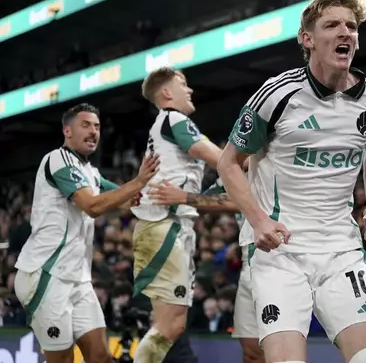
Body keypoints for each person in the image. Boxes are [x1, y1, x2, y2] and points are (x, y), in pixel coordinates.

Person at [217, 0, 366, 363]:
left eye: (351, 26)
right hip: (278, 249)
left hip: (341, 248)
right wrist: (259, 220)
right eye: (332, 25)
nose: (345, 32)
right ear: (308, 39)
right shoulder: (277, 95)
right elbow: (228, 162)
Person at [13, 103, 159, 363]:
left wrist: (163, 193)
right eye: (86, 125)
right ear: (67, 130)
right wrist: (137, 181)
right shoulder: (58, 159)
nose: (93, 131)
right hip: (46, 275)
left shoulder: (91, 172)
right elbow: (93, 206)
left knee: (101, 357)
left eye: (97, 126)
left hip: (77, 280)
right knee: (63, 360)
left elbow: (128, 200)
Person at [130, 67, 224, 363]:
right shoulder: (174, 119)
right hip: (164, 225)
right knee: (170, 326)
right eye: (183, 84)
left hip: (166, 225)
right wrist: (255, 160)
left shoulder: (161, 129)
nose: (190, 90)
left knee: (169, 326)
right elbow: (219, 158)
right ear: (167, 93)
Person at [148, 173, 264, 363]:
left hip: (279, 266)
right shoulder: (231, 171)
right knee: (251, 353)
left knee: (279, 348)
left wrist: (184, 197)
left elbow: (243, 203)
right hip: (249, 269)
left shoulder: (273, 162)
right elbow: (204, 201)